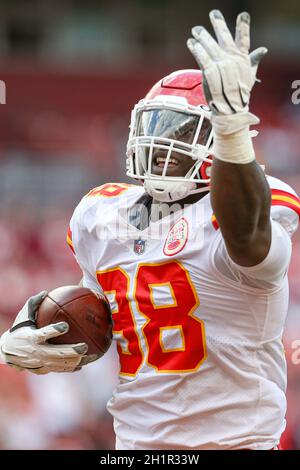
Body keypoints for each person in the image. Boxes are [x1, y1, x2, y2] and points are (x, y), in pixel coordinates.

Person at [0, 10, 299, 450]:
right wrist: (35, 334)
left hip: (236, 442)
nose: (160, 143)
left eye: (179, 130)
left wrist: (233, 128)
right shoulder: (102, 214)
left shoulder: (249, 210)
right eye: (154, 125)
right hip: (135, 445)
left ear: (218, 140)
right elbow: (108, 315)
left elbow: (247, 236)